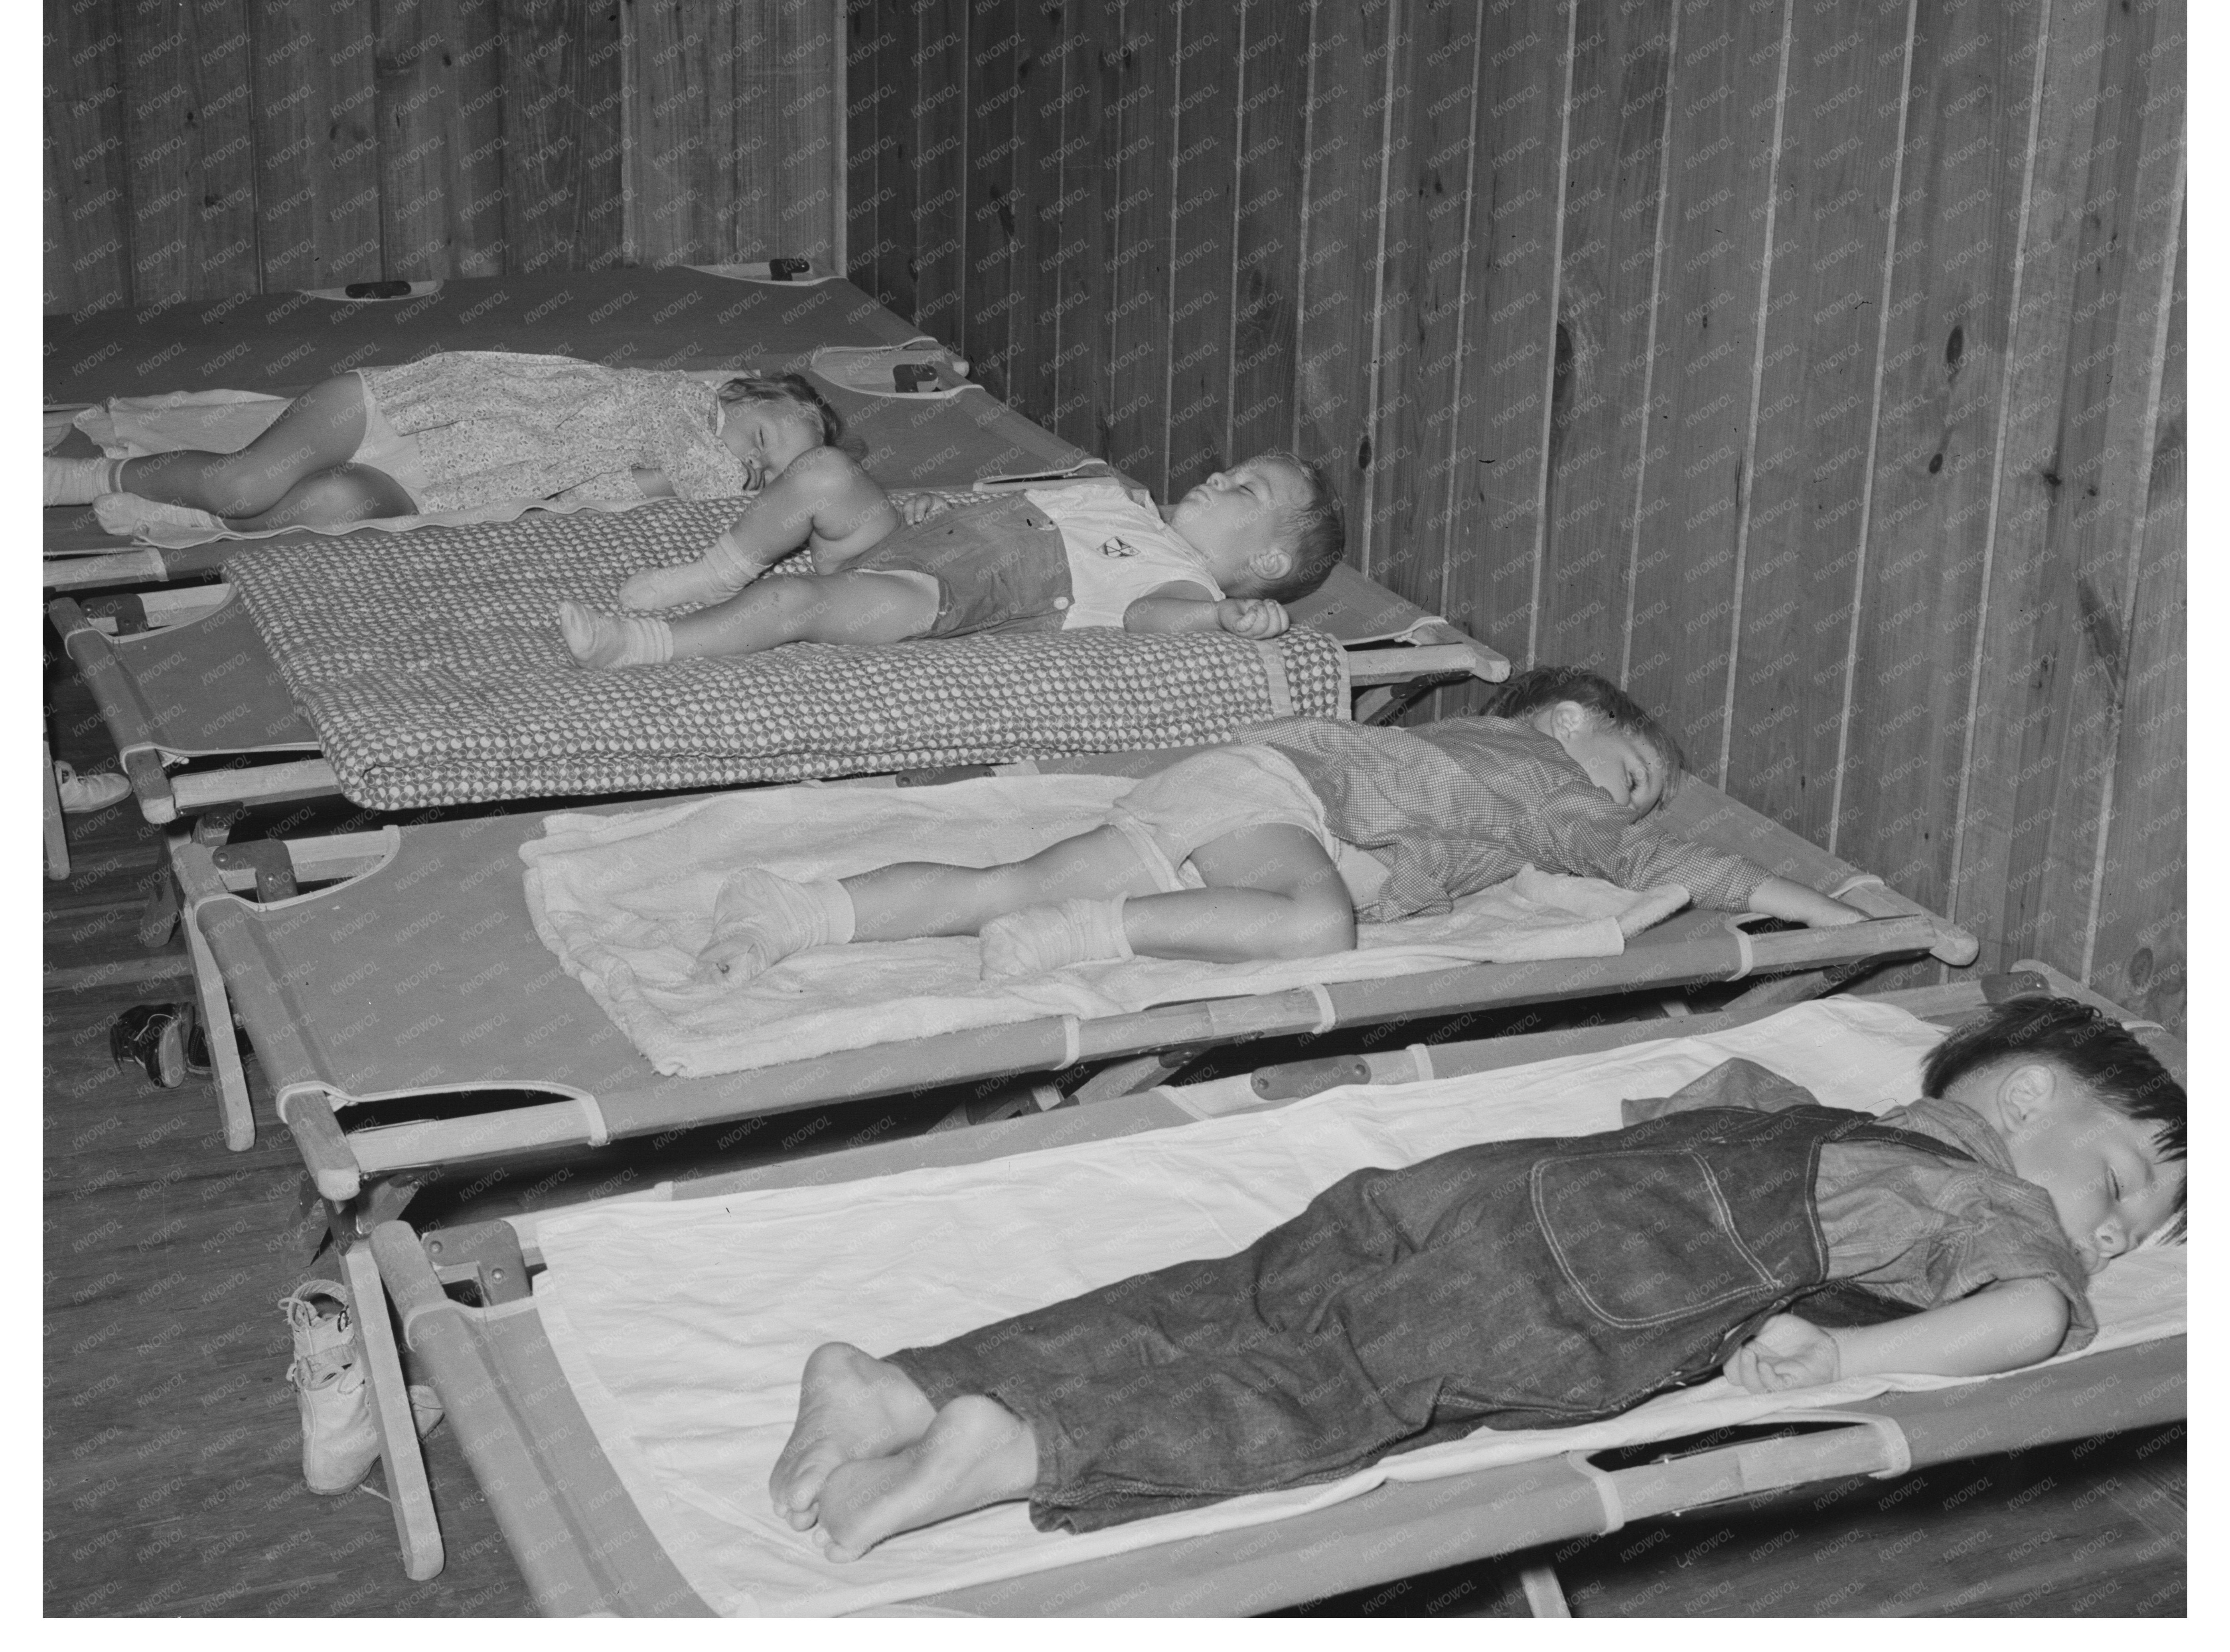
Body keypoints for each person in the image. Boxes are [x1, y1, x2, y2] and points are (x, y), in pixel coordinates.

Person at [768, 996, 2186, 1559]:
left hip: (1502, 1182)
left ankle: (902, 1382)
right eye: (2123, 1185)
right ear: (2022, 1101)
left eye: (2138, 1236)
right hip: (1605, 1276)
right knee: (1331, 1386)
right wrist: (1861, 1360)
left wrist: (1820, 1304)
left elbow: (1688, 1124)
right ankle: (1009, 1444)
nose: (2110, 1237)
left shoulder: (1813, 1105)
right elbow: (2032, 1316)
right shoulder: (1994, 1199)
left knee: (1237, 1294)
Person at [683, 666, 1871, 985]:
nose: (1624, 803)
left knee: (1002, 884)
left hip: (1226, 805)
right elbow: (1638, 852)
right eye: (1630, 772)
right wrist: (1791, 899)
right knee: (1313, 930)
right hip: (1283, 796)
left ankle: (792, 913)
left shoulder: (1491, 787)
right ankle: (1095, 934)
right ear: (1567, 721)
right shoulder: (1527, 767)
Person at [555, 449, 1345, 669]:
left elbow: (1149, 619)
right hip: (910, 542)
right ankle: (717, 570)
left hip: (930, 593)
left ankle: (644, 646)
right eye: (1228, 468)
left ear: (1269, 559)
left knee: (794, 607)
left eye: (1244, 490)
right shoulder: (1126, 501)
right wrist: (947, 512)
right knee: (824, 473)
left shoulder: (1176, 573)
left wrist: (1218, 617)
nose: (1217, 476)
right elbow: (1014, 506)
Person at [41, 356, 840, 533]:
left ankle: (174, 505)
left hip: (432, 489)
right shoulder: (683, 402)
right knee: (246, 486)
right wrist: (772, 486)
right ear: (743, 389)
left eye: (766, 466)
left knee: (322, 507)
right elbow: (706, 480)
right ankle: (83, 476)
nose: (751, 463)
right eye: (762, 439)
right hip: (400, 413)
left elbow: (612, 497)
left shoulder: (677, 461)